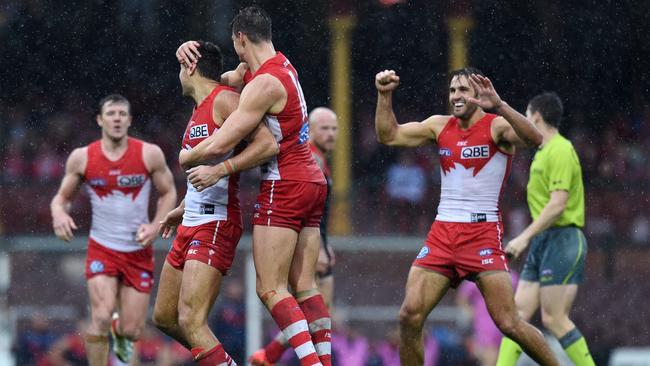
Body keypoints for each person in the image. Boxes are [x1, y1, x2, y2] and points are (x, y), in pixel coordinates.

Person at [374, 67, 560, 366]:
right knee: (409, 315)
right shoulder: (439, 125)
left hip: (482, 233)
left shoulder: (497, 126)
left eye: (463, 90)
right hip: (443, 232)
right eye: (452, 91)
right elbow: (389, 135)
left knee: (509, 323)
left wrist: (499, 104)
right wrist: (385, 96)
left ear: (478, 95)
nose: (456, 96)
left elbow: (535, 138)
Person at [177, 6, 330, 366]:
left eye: (236, 45)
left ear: (241, 38)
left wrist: (195, 160)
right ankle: (324, 361)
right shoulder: (279, 67)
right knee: (305, 286)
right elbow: (221, 80)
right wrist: (187, 52)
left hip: (285, 182)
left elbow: (222, 141)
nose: (236, 53)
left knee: (270, 287)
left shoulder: (262, 84)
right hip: (313, 180)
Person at [151, 41, 279, 366]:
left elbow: (267, 145)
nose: (178, 75)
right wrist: (182, 209)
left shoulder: (225, 100)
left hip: (216, 222)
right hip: (191, 220)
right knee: (165, 318)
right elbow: (202, 175)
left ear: (190, 68)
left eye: (181, 68)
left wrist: (222, 169)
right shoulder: (198, 109)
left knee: (192, 321)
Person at [50, 94, 177, 365]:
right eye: (111, 113)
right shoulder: (82, 158)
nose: (117, 118)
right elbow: (61, 198)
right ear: (100, 119)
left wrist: (156, 225)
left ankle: (121, 333)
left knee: (133, 331)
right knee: (101, 316)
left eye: (122, 114)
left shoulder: (148, 154)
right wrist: (59, 214)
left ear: (129, 120)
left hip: (138, 251)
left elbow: (168, 192)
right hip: (102, 249)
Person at [497, 93, 595, 365]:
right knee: (514, 318)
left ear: (536, 117)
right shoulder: (541, 152)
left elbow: (558, 205)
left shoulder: (560, 149)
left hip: (563, 238)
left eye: (527, 115)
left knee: (554, 318)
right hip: (544, 240)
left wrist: (522, 238)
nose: (524, 121)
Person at [249, 107, 339, 365]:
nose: (330, 134)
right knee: (305, 297)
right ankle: (272, 355)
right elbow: (309, 210)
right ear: (309, 130)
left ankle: (270, 355)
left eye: (334, 128)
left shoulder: (319, 159)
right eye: (324, 128)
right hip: (302, 235)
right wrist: (320, 246)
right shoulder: (310, 159)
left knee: (316, 302)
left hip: (313, 235)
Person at [457, 272, 519, 366]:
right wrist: (471, 312)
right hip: (485, 320)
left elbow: (519, 298)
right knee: (490, 351)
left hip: (506, 320)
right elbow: (462, 297)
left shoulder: (512, 276)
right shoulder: (480, 275)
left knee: (501, 351)